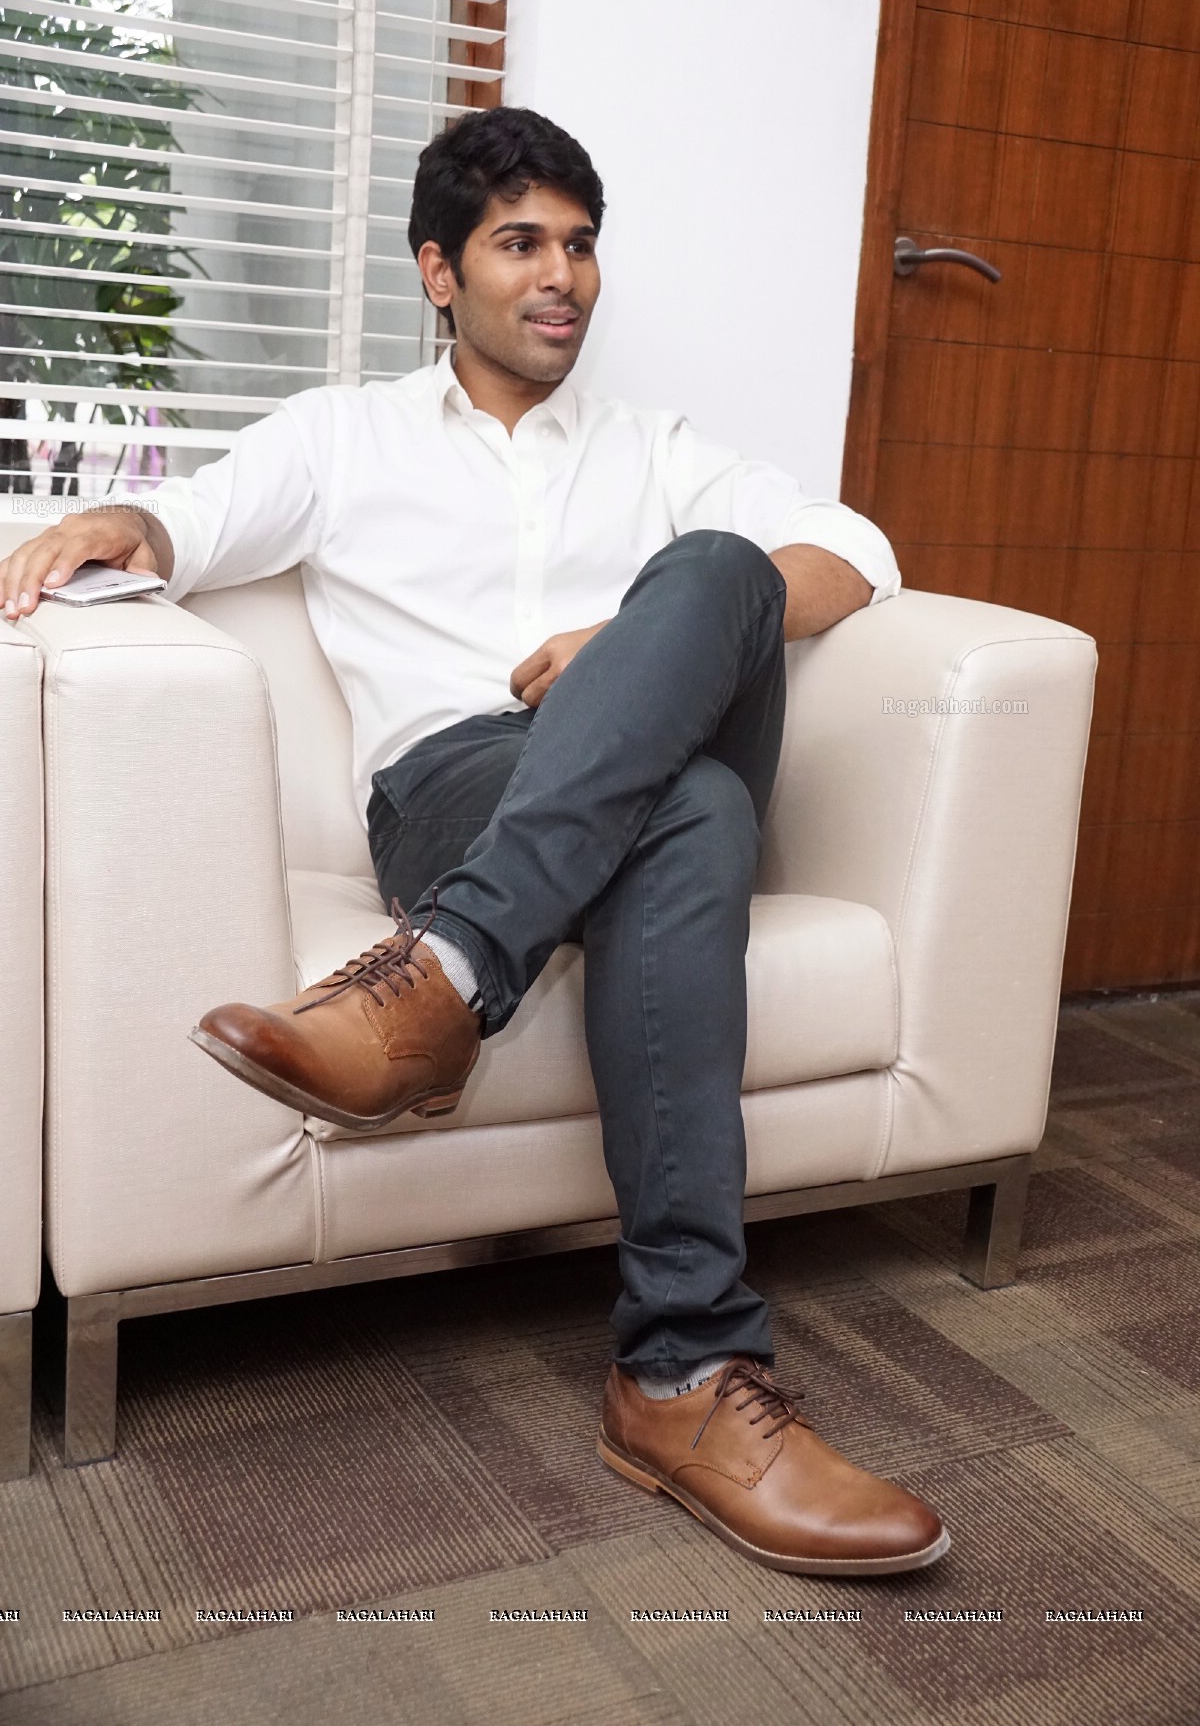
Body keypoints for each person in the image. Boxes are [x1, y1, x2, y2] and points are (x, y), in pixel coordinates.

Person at [1, 106, 948, 1578]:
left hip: (624, 749)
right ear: (440, 272)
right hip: (455, 780)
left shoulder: (659, 450)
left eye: (579, 244)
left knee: (711, 572)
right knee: (690, 808)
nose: (560, 275)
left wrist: (639, 649)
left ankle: (442, 977)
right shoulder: (341, 436)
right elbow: (188, 522)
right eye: (520, 243)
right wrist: (113, 519)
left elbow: (856, 557)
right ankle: (683, 1377)